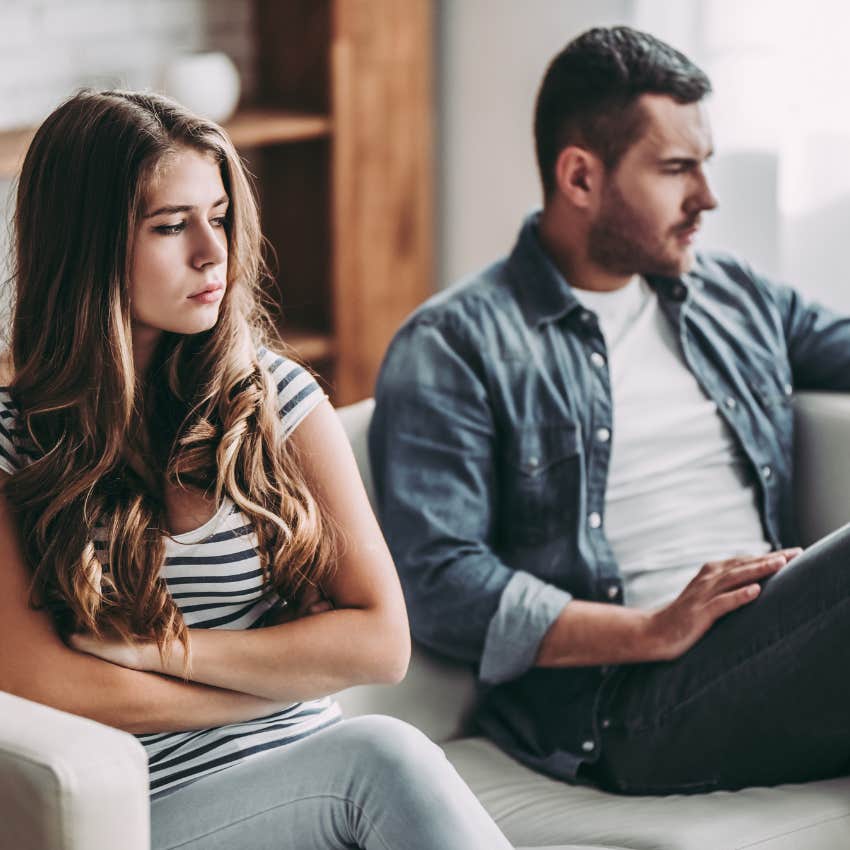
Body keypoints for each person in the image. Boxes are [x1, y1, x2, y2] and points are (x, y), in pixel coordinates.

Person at [0, 89, 513, 850]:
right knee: (382, 755)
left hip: (314, 778)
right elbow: (42, 684)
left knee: (375, 764)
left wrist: (163, 654)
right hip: (153, 808)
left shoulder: (277, 397)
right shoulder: (13, 438)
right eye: (172, 226)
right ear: (88, 244)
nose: (214, 253)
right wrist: (269, 686)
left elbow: (380, 642)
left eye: (220, 216)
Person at [369, 25, 850, 795]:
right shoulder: (456, 344)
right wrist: (655, 630)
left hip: (775, 653)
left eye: (706, 165)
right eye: (675, 169)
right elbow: (441, 585)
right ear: (581, 177)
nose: (707, 198)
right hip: (629, 702)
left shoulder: (733, 295)